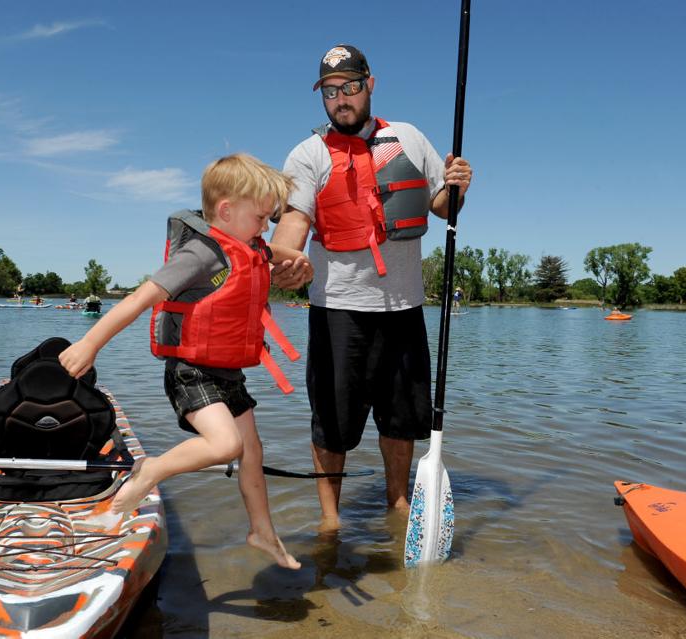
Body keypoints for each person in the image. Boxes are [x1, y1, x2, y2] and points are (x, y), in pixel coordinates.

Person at [59, 153, 309, 569]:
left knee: (252, 452)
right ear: (226, 211)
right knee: (225, 444)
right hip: (191, 372)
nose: (265, 227)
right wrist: (90, 343)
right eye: (261, 218)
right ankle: (151, 469)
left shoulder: (252, 245)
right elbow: (141, 298)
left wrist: (298, 260)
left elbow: (279, 252)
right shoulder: (201, 254)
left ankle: (263, 533)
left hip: (228, 372)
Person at [270, 44, 473, 531]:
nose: (342, 99)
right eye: (331, 91)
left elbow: (443, 206)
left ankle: (398, 503)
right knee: (333, 421)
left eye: (351, 87)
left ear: (370, 85)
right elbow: (293, 225)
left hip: (404, 307)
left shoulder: (406, 137)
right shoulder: (308, 154)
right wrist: (286, 263)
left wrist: (458, 183)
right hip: (338, 307)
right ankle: (329, 519)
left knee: (402, 418)